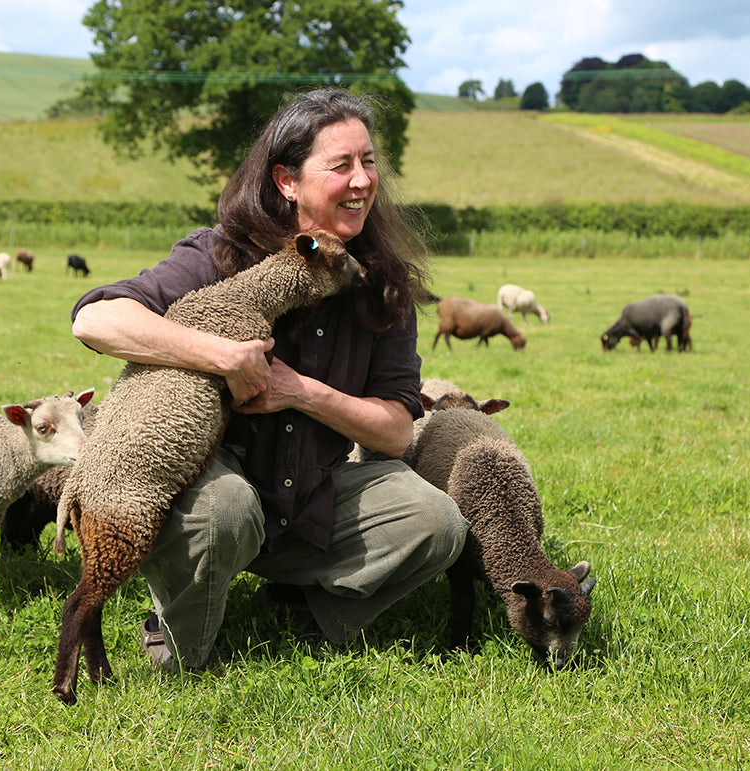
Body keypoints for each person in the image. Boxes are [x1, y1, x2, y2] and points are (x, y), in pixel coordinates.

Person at [69, 88, 468, 672]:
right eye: (341, 165)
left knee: (435, 523)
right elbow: (95, 318)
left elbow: (396, 433)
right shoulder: (219, 255)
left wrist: (300, 392)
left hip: (312, 494)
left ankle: (305, 613)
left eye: (369, 162)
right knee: (223, 511)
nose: (362, 180)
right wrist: (222, 355)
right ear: (286, 181)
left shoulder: (380, 285)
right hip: (218, 486)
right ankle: (178, 635)